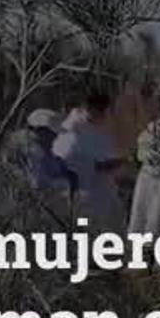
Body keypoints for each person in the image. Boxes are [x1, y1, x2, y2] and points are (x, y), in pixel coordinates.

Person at [52, 90, 126, 226]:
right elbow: (66, 158)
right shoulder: (73, 128)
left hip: (104, 189)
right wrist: (98, 166)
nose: (104, 114)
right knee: (84, 226)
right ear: (91, 108)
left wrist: (116, 163)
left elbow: (107, 151)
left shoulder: (101, 126)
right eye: (101, 110)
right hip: (83, 191)